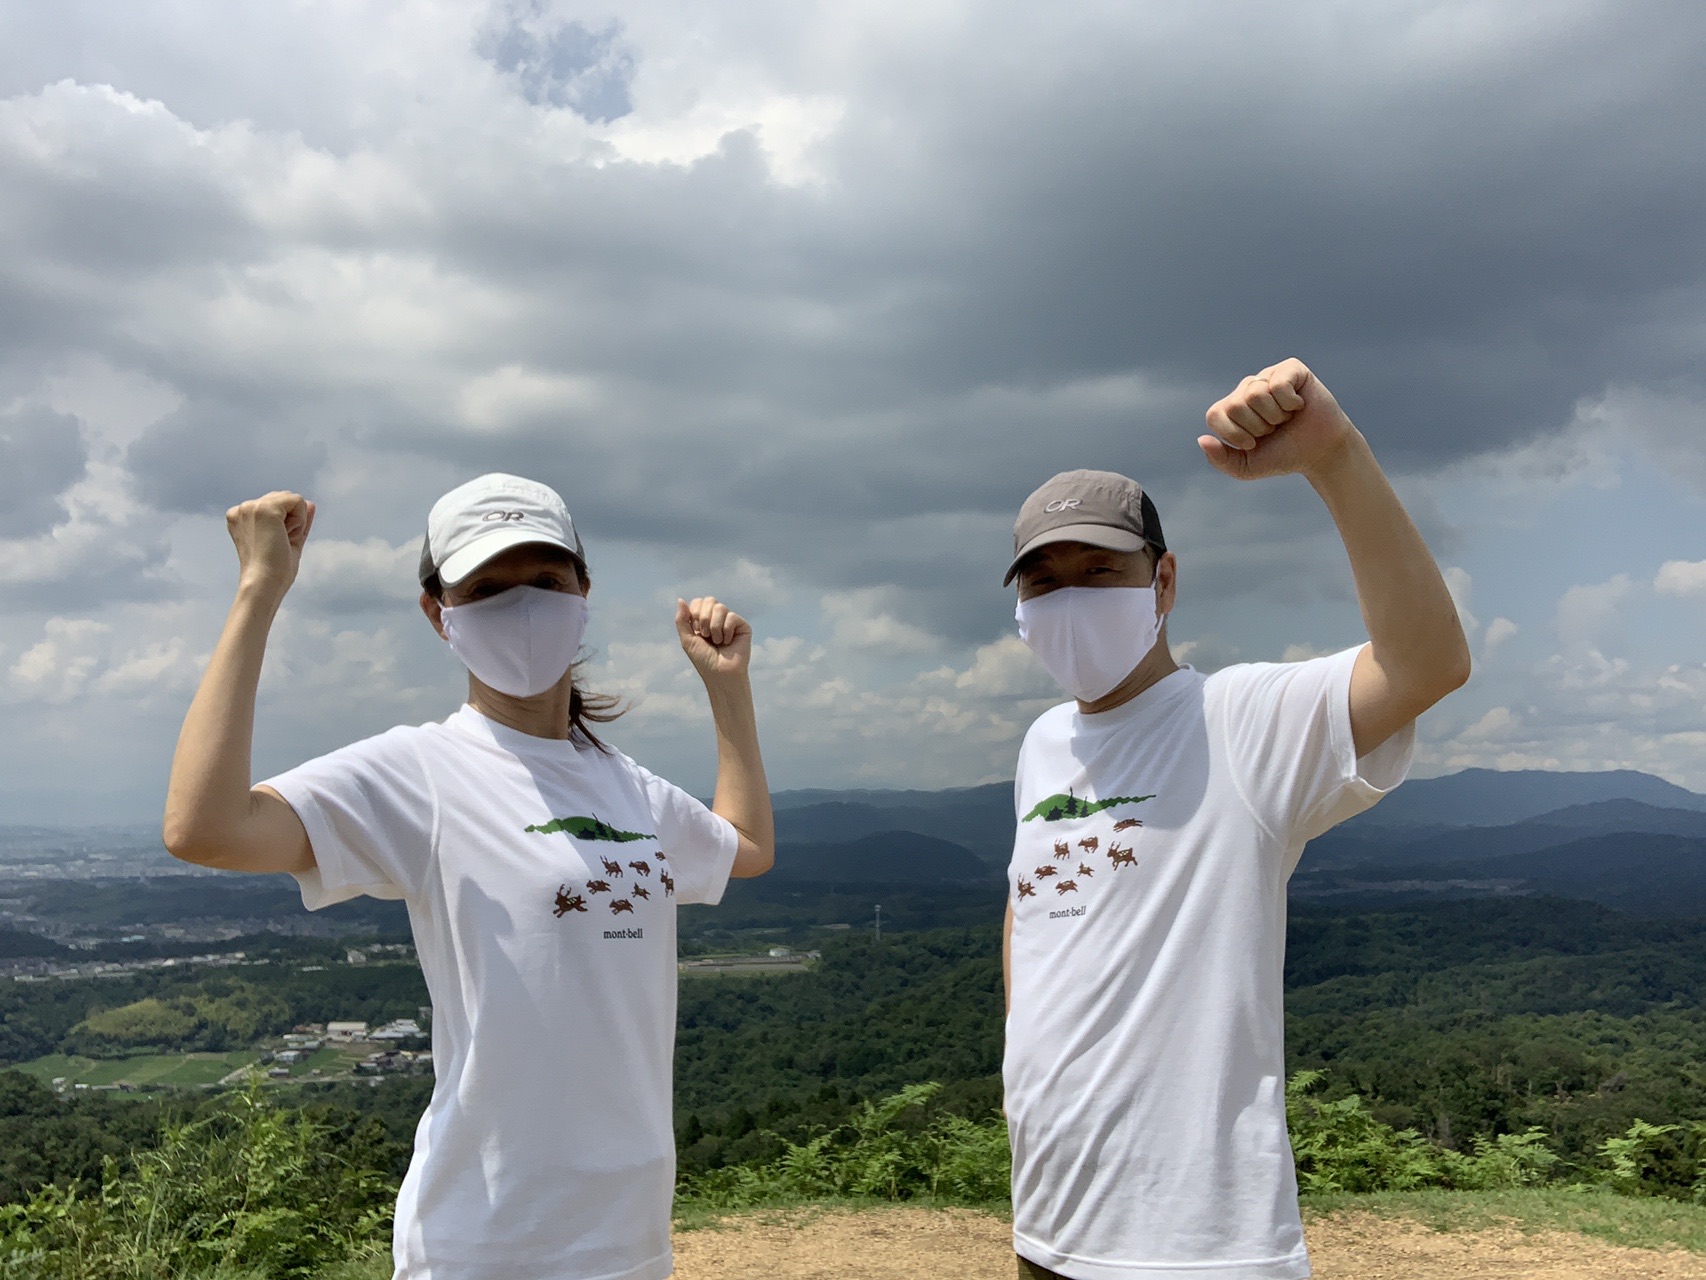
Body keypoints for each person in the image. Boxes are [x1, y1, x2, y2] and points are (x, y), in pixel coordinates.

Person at [162, 472, 774, 1280]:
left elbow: (744, 847)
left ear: (584, 591)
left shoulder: (621, 783)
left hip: (630, 1238)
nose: (522, 606)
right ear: (437, 613)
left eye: (546, 581)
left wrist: (727, 690)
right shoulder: (421, 772)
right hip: (486, 1244)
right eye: (485, 587)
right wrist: (259, 590)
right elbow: (206, 828)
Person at [1001, 360, 1470, 1280]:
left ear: (1164, 580)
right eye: (1044, 583)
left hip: (1200, 1246)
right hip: (1048, 1217)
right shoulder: (1043, 742)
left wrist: (1334, 457)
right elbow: (1027, 902)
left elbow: (1426, 662)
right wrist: (1029, 1054)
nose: (1069, 601)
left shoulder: (1241, 720)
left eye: (1102, 571)